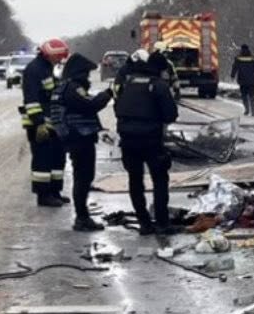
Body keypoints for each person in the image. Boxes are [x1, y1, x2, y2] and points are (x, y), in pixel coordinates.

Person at [113, 48, 179, 235]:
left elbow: (118, 108)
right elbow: (171, 114)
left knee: (135, 181)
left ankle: (144, 223)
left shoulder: (128, 82)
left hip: (128, 140)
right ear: (159, 69)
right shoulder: (158, 85)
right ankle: (162, 223)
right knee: (160, 179)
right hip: (151, 140)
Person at [59, 53, 114, 231]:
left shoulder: (69, 86)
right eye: (86, 73)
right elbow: (90, 105)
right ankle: (82, 218)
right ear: (79, 72)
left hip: (78, 137)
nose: (88, 77)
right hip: (79, 138)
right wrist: (107, 94)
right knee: (83, 177)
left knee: (83, 177)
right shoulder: (73, 88)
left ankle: (82, 216)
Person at [20, 38, 70, 206]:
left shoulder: (46, 68)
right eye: (59, 56)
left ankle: (55, 191)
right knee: (43, 160)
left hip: (52, 123)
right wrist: (39, 123)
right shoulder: (34, 70)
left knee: (57, 158)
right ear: (50, 55)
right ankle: (43, 195)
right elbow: (31, 100)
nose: (60, 60)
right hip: (39, 125)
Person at [230, 43, 254, 116]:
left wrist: (232, 75)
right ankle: (253, 111)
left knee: (244, 96)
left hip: (242, 81)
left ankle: (247, 110)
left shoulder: (238, 58)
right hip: (251, 81)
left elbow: (234, 68)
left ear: (241, 49)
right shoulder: (253, 58)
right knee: (252, 96)